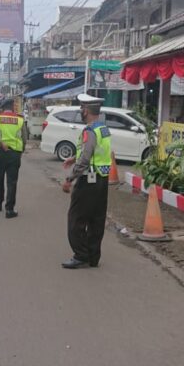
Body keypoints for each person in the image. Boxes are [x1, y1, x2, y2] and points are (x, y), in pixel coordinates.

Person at [61, 94, 112, 269]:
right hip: (102, 180)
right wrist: (73, 158)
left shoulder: (89, 131)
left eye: (82, 108)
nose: (81, 112)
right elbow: (94, 153)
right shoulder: (103, 129)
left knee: (76, 219)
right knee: (96, 220)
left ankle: (81, 255)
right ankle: (93, 256)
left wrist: (70, 178)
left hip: (88, 181)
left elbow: (86, 157)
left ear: (86, 111)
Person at [0, 99, 27, 219]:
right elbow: (24, 138)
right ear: (13, 107)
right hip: (14, 153)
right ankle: (9, 210)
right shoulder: (20, 119)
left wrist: (0, 143)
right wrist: (21, 151)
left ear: (3, 108)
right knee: (12, 182)